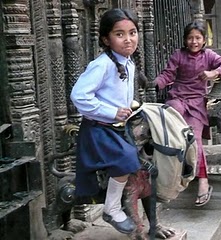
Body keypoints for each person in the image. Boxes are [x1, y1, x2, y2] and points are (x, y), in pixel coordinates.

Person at [70, 8, 141, 234]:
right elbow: (79, 96)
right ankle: (111, 209)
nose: (128, 39)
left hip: (117, 127)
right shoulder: (102, 64)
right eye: (119, 34)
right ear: (106, 39)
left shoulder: (127, 61)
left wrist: (129, 105)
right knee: (126, 158)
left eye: (132, 32)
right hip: (98, 129)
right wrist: (111, 112)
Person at [153, 20, 221, 207]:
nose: (194, 42)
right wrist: (154, 83)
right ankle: (169, 177)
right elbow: (167, 75)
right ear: (185, 40)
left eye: (198, 38)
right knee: (170, 121)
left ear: (204, 40)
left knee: (195, 140)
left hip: (197, 103)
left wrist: (213, 73)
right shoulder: (178, 55)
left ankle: (203, 182)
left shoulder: (209, 55)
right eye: (190, 38)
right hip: (178, 98)